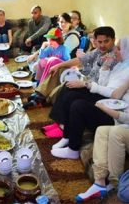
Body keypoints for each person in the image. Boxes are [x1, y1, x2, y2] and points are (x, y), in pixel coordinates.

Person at [49, 29, 124, 159]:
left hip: (102, 93)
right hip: (92, 86)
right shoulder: (98, 51)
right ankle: (66, 133)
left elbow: (108, 88)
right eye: (99, 41)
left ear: (113, 40)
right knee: (69, 88)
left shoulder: (115, 57)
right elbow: (81, 61)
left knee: (73, 96)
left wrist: (85, 84)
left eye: (106, 41)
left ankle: (66, 133)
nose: (102, 45)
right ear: (95, 41)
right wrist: (60, 65)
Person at [76, 76, 129, 202]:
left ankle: (115, 184)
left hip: (123, 122)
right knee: (102, 130)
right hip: (123, 121)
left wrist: (108, 110)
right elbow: (116, 95)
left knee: (117, 132)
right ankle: (99, 182)